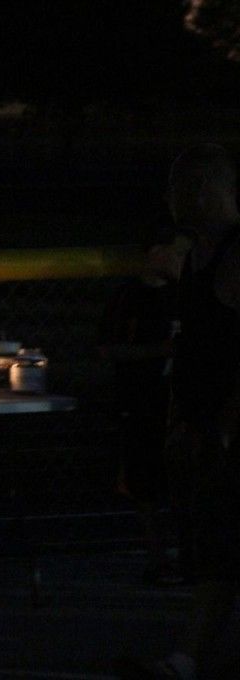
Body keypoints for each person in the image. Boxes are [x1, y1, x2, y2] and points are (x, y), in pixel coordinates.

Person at [116, 143, 240, 680]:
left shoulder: (234, 256)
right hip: (205, 425)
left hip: (227, 429)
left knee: (222, 545)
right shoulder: (196, 260)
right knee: (216, 549)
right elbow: (194, 346)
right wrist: (181, 418)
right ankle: (188, 659)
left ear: (204, 190)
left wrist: (227, 424)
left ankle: (188, 660)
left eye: (178, 187)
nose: (170, 199)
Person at [98, 231, 192, 587]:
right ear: (155, 253)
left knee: (186, 478)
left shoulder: (187, 292)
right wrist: (162, 350)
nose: (182, 260)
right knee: (145, 482)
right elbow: (108, 348)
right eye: (176, 252)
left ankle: (190, 555)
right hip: (141, 401)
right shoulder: (130, 296)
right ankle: (158, 558)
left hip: (182, 402)